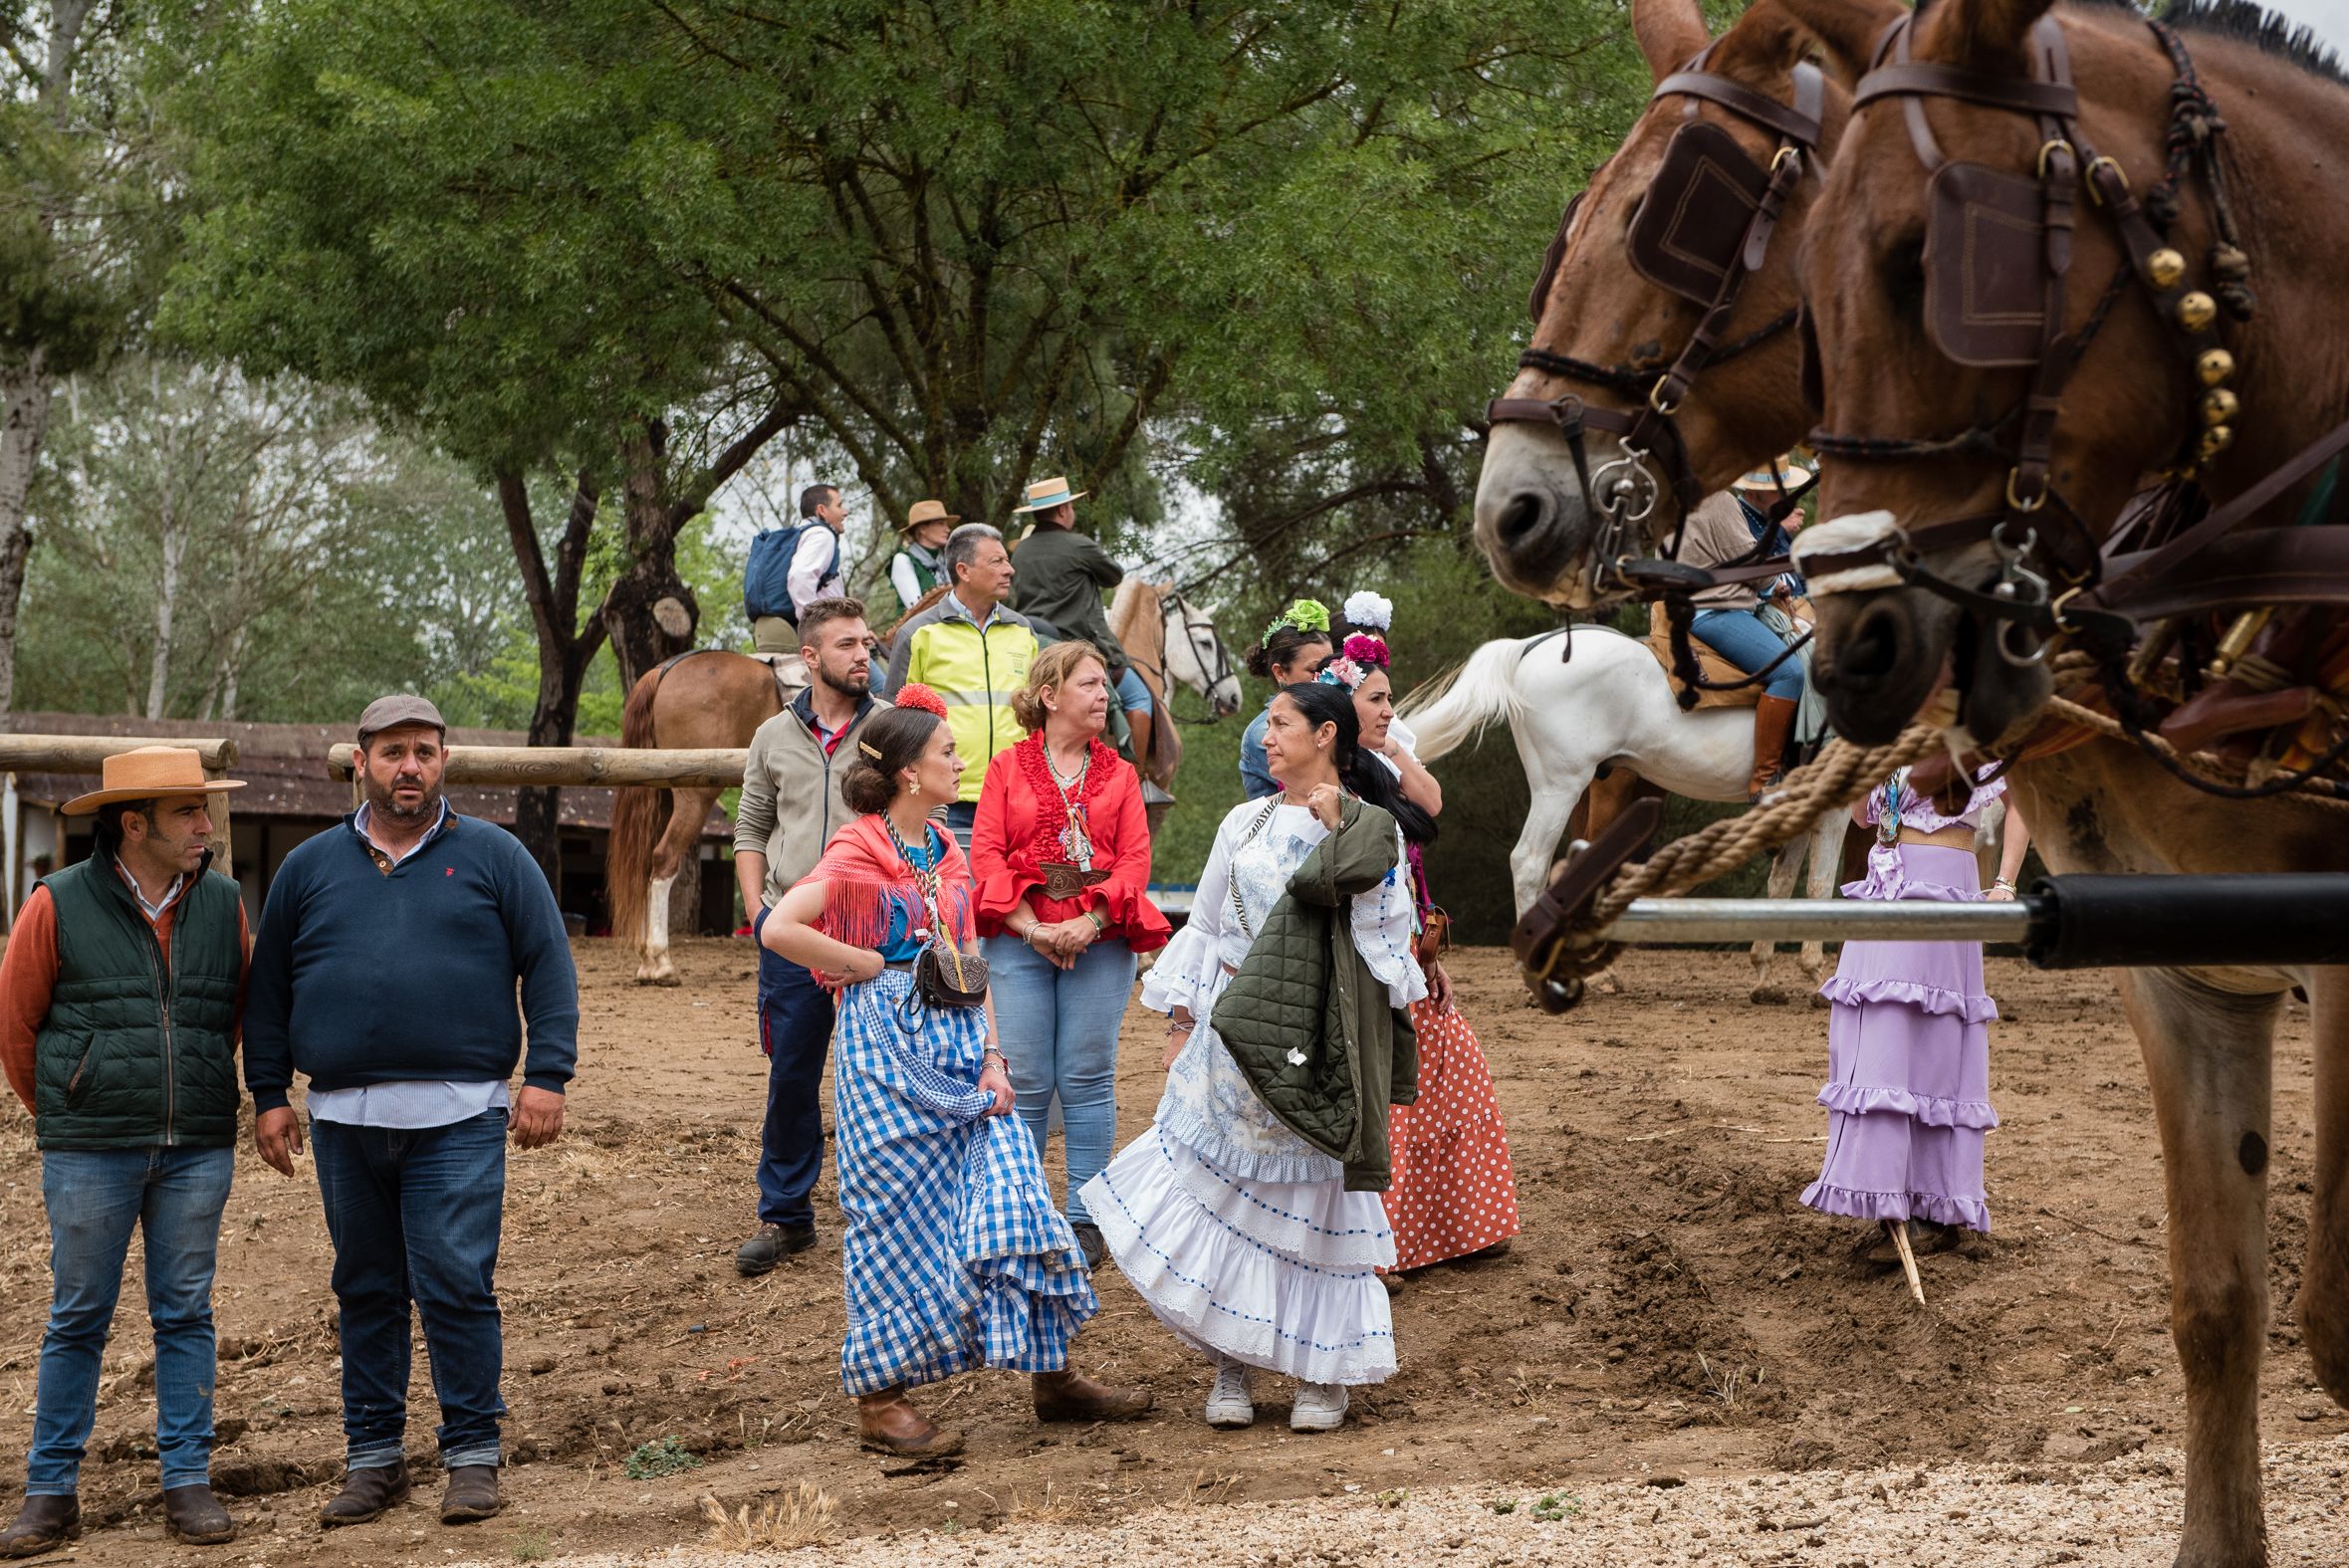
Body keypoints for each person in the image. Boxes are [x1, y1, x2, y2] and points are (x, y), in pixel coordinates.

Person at [758, 684, 1151, 1456]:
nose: (959, 760)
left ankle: (1051, 1372)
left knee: (1015, 1193)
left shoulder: (942, 846)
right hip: (885, 1050)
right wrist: (861, 961)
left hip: (962, 1040)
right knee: (889, 1213)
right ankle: (880, 1399)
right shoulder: (857, 850)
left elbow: (969, 953)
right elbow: (780, 926)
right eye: (945, 751)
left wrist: (995, 1056)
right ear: (909, 771)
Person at [244, 695, 578, 1531]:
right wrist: (268, 1093)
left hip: (459, 1114)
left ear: (443, 762)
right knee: (364, 1286)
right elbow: (270, 988)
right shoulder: (309, 867)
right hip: (343, 1117)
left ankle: (471, 1455)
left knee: (456, 1282)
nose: (410, 767)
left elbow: (548, 964)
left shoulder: (495, 855)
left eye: (425, 752)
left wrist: (547, 1074)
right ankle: (374, 1459)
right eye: (393, 751)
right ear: (359, 761)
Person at [1081, 682, 1424, 1436]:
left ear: (1325, 734)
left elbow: (1385, 937)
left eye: (1280, 724)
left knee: (1312, 1208)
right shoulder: (1243, 821)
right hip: (1235, 1032)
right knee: (1225, 1197)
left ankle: (1320, 1373)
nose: (1265, 738)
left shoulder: (1373, 828)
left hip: (1318, 1040)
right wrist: (1181, 1022)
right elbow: (1207, 926)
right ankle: (1231, 1361)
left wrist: (1339, 829)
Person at [0, 748, 250, 1555]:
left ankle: (188, 1481)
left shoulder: (224, 902)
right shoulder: (57, 901)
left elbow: (230, 1013)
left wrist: (193, 1087)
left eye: (204, 809)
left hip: (196, 1146)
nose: (205, 825)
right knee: (78, 1316)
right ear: (134, 823)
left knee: (186, 1313)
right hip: (90, 1150)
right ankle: (50, 1492)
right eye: (188, 812)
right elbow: (16, 1024)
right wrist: (74, 1105)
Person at [1319, 593, 1522, 1277]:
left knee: (1452, 1070)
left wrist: (1387, 743)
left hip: (1407, 945)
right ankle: (1380, 1249)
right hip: (1364, 956)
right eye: (1376, 699)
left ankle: (1462, 1227)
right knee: (1392, 1093)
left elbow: (1427, 814)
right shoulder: (1330, 782)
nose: (1388, 709)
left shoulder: (1379, 763)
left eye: (1388, 698)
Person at [971, 642, 1172, 1267]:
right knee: (1026, 1079)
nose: (1103, 696)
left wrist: (1089, 921)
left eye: (1104, 685)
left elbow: (1135, 860)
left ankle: (1086, 1220)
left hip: (1100, 942)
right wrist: (1033, 929)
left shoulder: (1120, 774)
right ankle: (1026, 1215)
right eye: (1089, 684)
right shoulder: (1006, 767)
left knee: (1086, 1078)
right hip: (1018, 940)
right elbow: (986, 856)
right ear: (1050, 695)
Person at [1802, 768, 2032, 1261]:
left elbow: (2023, 798)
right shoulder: (1888, 734)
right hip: (1885, 878)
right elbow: (1861, 816)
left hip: (1943, 880)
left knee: (1934, 1038)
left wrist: (2005, 884)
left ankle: (1936, 1209)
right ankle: (1891, 1195)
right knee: (1877, 1026)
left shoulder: (1973, 730)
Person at [730, 598, 891, 1276]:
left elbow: (924, 822)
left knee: (882, 1077)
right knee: (792, 1075)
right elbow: (750, 829)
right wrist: (760, 918)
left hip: (873, 934)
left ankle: (889, 1215)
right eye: (846, 644)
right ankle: (786, 1215)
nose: (862, 654)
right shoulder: (772, 734)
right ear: (810, 656)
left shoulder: (891, 728)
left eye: (866, 643)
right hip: (793, 935)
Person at [884, 523, 1039, 847]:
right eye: (996, 561)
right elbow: (893, 722)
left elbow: (1039, 715)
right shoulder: (917, 634)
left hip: (1015, 797)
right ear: (963, 570)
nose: (1009, 569)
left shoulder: (1023, 630)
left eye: (1006, 561)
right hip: (943, 804)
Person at [1677, 487, 1809, 799]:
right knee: (1789, 672)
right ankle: (1766, 778)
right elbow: (1752, 563)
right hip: (1715, 610)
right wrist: (1774, 584)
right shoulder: (1719, 499)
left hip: (1682, 608)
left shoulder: (1680, 497)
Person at [1008, 477, 1155, 726]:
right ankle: (1132, 753)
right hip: (1078, 643)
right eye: (1071, 506)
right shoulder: (1078, 545)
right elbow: (1114, 576)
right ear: (1063, 510)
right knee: (1139, 698)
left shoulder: (1020, 551)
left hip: (1033, 645)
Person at [743, 483, 850, 687]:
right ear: (822, 510)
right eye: (839, 505)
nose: (845, 512)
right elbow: (800, 577)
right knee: (878, 684)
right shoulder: (822, 535)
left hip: (769, 628)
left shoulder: (801, 535)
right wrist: (813, 626)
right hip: (809, 630)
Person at [1238, 599, 1336, 799]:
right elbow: (1323, 786)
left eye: (1330, 667)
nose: (1326, 677)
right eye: (1314, 670)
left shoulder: (1332, 712)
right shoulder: (1263, 733)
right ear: (1280, 672)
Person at [887, 499, 957, 618]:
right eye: (941, 523)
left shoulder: (948, 560)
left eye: (946, 524)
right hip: (918, 628)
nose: (947, 529)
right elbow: (917, 609)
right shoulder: (903, 560)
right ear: (923, 529)